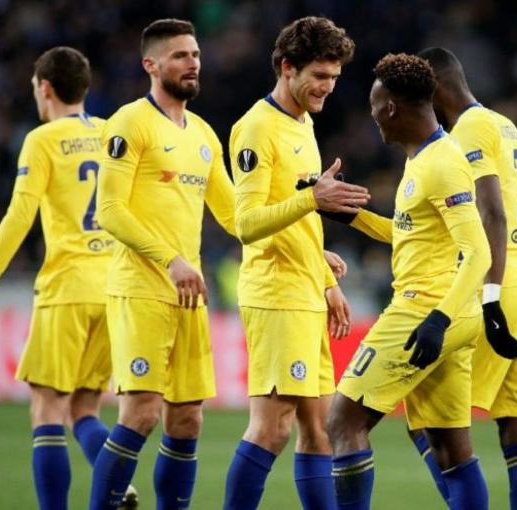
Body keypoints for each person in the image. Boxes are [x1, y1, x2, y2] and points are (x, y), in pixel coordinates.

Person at [325, 53, 493, 510]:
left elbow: (479, 251)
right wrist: (349, 215)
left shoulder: (442, 164)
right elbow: (408, 233)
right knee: (451, 451)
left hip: (424, 312)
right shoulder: (425, 159)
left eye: (374, 107)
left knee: (343, 423)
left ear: (392, 108)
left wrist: (437, 319)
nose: (373, 116)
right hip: (453, 314)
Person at [88, 19, 238, 509]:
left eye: (195, 54)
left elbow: (236, 216)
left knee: (188, 420)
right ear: (150, 65)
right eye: (180, 56)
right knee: (141, 414)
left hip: (188, 295)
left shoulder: (204, 135)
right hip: (141, 289)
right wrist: (171, 259)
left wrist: (307, 243)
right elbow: (110, 210)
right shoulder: (130, 122)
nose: (192, 63)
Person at [223, 16, 365, 510]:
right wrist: (313, 200)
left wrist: (325, 277)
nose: (328, 87)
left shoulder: (303, 123)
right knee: (272, 429)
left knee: (319, 430)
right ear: (287, 67)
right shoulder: (256, 128)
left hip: (304, 290)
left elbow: (293, 216)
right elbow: (247, 223)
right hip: (275, 295)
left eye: (334, 77)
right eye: (319, 76)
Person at [0, 46, 131, 510]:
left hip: (67, 286)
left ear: (45, 88)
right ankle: (119, 485)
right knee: (84, 408)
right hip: (114, 289)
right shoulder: (112, 133)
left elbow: (19, 215)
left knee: (46, 408)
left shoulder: (43, 139)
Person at [411, 46, 517, 510]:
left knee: (420, 408)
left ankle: (462, 501)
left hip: (496, 282)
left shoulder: (468, 130)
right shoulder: (505, 125)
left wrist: (490, 295)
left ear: (435, 88)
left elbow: (492, 209)